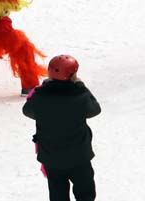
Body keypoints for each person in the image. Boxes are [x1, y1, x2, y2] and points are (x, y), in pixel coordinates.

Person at [23, 55, 101, 201]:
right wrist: (82, 87)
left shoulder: (41, 95)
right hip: (79, 157)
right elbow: (95, 110)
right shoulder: (79, 94)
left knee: (58, 195)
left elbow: (27, 111)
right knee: (85, 194)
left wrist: (44, 88)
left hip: (52, 158)